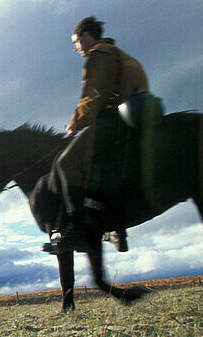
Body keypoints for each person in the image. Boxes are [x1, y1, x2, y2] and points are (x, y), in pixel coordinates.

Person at [53, 16, 149, 251]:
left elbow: (96, 96)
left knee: (65, 163)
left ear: (86, 36)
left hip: (114, 119)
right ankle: (115, 226)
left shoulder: (100, 54)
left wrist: (74, 124)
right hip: (134, 116)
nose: (76, 48)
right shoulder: (120, 53)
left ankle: (75, 230)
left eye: (76, 42)